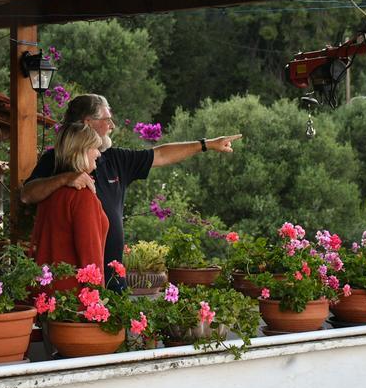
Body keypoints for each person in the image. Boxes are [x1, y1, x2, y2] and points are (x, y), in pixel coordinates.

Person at [21, 94, 241, 289]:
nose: (112, 125)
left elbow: (161, 155)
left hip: (112, 277)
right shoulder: (56, 160)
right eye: (107, 119)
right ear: (88, 123)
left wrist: (207, 144)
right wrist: (65, 178)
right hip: (76, 283)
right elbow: (27, 194)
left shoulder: (115, 159)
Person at [30, 122, 109, 292]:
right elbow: (90, 256)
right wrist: (98, 299)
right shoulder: (83, 196)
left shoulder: (50, 192)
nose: (98, 153)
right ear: (81, 151)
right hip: (74, 300)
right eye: (94, 148)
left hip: (46, 293)